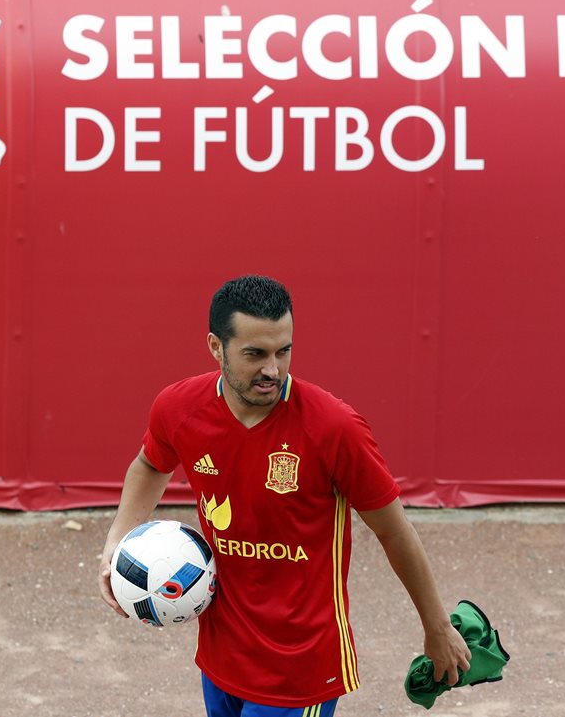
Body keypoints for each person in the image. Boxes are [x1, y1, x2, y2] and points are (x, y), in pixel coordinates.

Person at [99, 275, 470, 717]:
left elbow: (394, 531)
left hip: (300, 671)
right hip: (220, 657)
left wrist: (437, 627)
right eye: (255, 354)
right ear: (216, 347)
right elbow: (149, 465)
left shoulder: (335, 428)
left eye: (283, 351)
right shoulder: (178, 408)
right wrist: (115, 545)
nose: (272, 370)